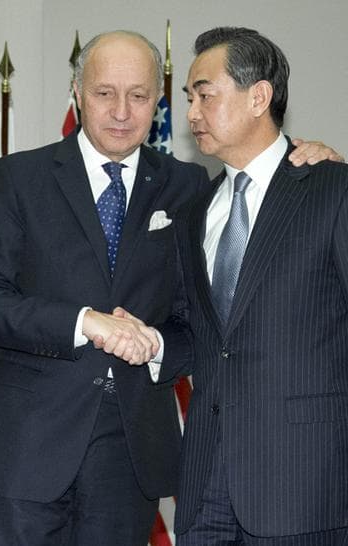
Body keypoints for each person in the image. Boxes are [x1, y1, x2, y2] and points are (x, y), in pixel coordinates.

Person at [0, 31, 205, 546]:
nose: (121, 111)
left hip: (130, 453)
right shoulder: (19, 176)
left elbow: (200, 322)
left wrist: (155, 344)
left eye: (138, 95)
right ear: (76, 91)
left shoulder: (188, 185)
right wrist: (83, 322)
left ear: (158, 100)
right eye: (104, 93)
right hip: (26, 445)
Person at [161, 27, 348, 545]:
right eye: (189, 98)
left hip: (305, 485)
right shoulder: (195, 212)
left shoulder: (333, 189)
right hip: (205, 487)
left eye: (205, 95)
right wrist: (149, 341)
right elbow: (196, 330)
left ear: (258, 97)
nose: (191, 113)